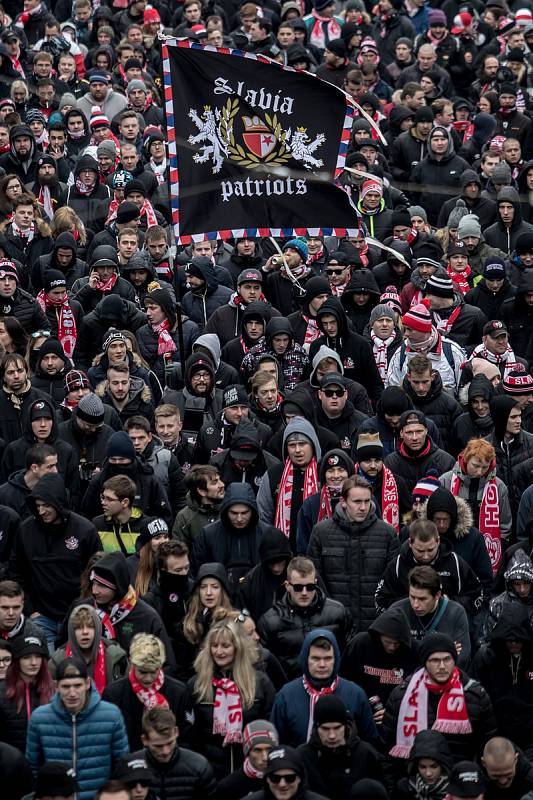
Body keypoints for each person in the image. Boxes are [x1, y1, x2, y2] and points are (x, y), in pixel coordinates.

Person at [10, 473, 100, 649]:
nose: (41, 511)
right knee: (47, 670)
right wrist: (29, 609)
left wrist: (86, 606)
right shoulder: (25, 530)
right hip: (41, 617)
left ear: (58, 503)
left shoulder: (85, 530)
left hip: (78, 616)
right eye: (38, 506)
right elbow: (16, 573)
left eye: (46, 506)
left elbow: (95, 573)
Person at [382, 634, 497, 764]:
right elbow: (387, 750)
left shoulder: (476, 696)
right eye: (435, 660)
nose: (442, 666)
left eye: (447, 659)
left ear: (454, 660)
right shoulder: (402, 696)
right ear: (425, 662)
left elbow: (487, 747)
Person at [26, 656, 129, 800]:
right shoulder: (40, 718)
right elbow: (33, 767)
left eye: (77, 685)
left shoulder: (111, 715)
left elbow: (121, 765)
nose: (72, 693)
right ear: (56, 687)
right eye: (66, 687)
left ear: (87, 683)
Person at [184, 618, 275, 778]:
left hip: (250, 770)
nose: (219, 652)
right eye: (214, 646)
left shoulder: (259, 682)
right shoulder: (196, 684)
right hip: (209, 770)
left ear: (237, 648)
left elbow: (270, 725)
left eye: (225, 646)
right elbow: (190, 734)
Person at [308, 475, 399, 630]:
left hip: (375, 626)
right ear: (343, 502)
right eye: (357, 502)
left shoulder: (387, 534)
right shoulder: (321, 533)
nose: (363, 507)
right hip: (333, 624)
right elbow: (314, 578)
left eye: (367, 501)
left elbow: (394, 583)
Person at [270, 628, 377, 748]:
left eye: (327, 658)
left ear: (336, 659)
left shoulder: (355, 694)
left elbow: (370, 743)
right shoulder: (286, 696)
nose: (322, 665)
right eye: (315, 658)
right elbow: (276, 745)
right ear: (305, 659)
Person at [257, 556, 351, 680]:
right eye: (298, 588)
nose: (304, 592)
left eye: (310, 587)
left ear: (316, 583)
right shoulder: (269, 621)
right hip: (290, 689)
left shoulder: (337, 612)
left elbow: (350, 655)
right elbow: (263, 665)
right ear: (287, 586)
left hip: (331, 687)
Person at [376, 519, 483, 616]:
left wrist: (448, 604)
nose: (426, 556)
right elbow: (380, 600)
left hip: (446, 627)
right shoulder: (398, 565)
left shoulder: (455, 562)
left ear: (438, 541)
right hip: (406, 629)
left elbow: (477, 595)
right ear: (410, 543)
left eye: (431, 550)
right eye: (420, 551)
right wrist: (410, 603)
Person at [102, 633, 187, 751]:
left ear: (161, 666)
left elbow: (186, 738)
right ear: (131, 664)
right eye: (143, 672)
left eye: (153, 672)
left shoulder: (178, 693)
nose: (148, 678)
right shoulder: (113, 695)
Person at [297, 695, 382, 800]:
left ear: (345, 726)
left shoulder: (366, 754)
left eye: (337, 728)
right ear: (316, 727)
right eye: (325, 729)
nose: (332, 735)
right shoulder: (303, 757)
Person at [389, 566, 472, 668]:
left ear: (437, 595)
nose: (415, 604)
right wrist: (442, 650)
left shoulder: (456, 612)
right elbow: (390, 652)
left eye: (422, 599)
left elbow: (462, 658)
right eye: (412, 597)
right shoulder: (397, 611)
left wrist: (411, 649)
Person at [128, 706, 216, 800]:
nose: (166, 751)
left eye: (170, 743)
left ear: (176, 732)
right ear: (144, 740)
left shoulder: (199, 767)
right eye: (158, 746)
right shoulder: (129, 768)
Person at [339, 605, 418, 709]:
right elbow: (343, 680)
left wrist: (392, 710)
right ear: (379, 635)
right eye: (387, 642)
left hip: (398, 711)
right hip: (360, 708)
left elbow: (417, 689)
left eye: (397, 643)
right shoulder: (360, 644)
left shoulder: (412, 650)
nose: (392, 647)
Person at [49, 604, 128, 691]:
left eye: (90, 627)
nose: (85, 632)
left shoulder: (116, 657)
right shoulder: (58, 661)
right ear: (71, 632)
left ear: (97, 629)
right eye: (78, 628)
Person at [0, 630, 54, 753]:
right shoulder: (2, 692)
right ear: (17, 660)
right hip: (11, 764)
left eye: (38, 657)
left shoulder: (54, 692)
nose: (34, 663)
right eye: (27, 657)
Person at [384, 411, 455, 493]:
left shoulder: (445, 461)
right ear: (401, 433)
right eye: (409, 432)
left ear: (426, 431)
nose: (414, 437)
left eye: (419, 431)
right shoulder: (390, 463)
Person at [217, 720, 280, 800]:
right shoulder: (229, 786)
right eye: (257, 750)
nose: (265, 757)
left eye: (269, 749)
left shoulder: (287, 779)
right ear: (247, 752)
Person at [394, 730, 453, 800]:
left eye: (434, 767)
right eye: (422, 767)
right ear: (416, 766)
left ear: (443, 766)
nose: (428, 773)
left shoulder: (455, 790)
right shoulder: (404, 788)